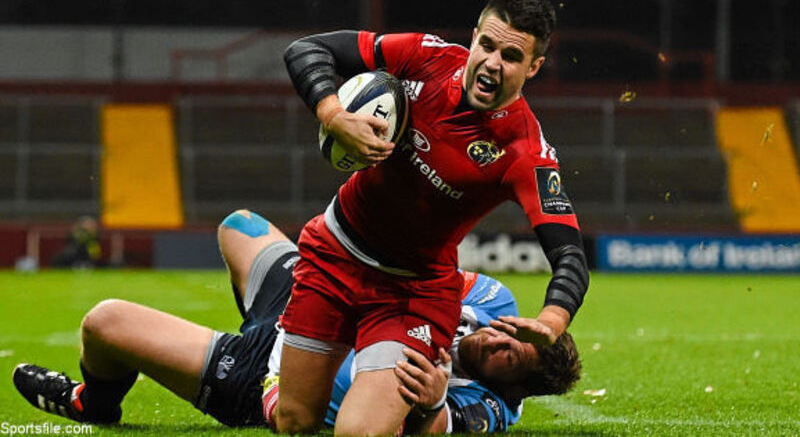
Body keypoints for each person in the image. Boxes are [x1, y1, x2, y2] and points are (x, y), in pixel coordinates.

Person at [277, 0, 589, 433]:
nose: (492, 63)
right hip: (334, 252)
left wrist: (552, 320)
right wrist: (334, 115)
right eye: (487, 45)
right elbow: (306, 50)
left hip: (412, 292)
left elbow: (570, 255)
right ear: (474, 37)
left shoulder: (526, 151)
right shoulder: (425, 55)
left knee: (358, 432)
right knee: (294, 422)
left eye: (511, 56)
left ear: (533, 67)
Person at [12, 209, 581, 434]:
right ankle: (264, 315)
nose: (496, 335)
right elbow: (422, 275)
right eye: (512, 330)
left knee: (104, 322)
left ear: (514, 386)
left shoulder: (490, 409)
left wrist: (432, 405)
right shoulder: (499, 301)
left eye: (507, 354)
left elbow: (441, 429)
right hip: (313, 302)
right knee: (239, 224)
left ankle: (95, 403)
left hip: (268, 375)